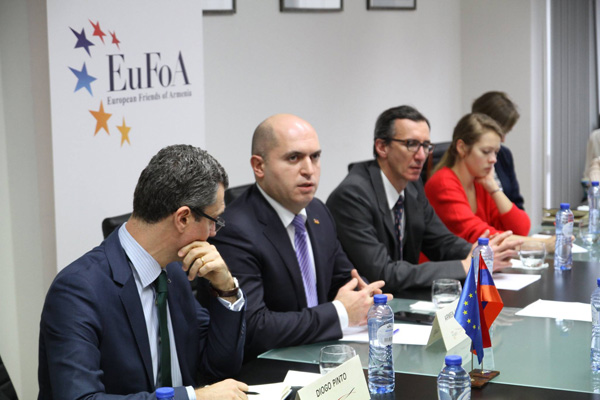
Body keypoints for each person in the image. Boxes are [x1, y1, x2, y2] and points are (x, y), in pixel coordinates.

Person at [38, 145, 248, 400]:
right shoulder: (78, 291)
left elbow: (218, 369)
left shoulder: (174, 272)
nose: (213, 233)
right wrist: (193, 398)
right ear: (183, 218)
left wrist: (226, 288)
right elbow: (81, 398)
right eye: (213, 220)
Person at [210, 114, 390, 360]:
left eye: (315, 157)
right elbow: (254, 327)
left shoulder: (317, 211)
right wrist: (339, 313)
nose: (309, 170)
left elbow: (344, 278)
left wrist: (365, 299)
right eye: (294, 158)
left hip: (322, 354)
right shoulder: (234, 230)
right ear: (259, 166)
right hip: (270, 368)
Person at [326, 105, 519, 294]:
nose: (421, 156)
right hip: (369, 305)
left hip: (402, 299)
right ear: (382, 147)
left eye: (426, 146)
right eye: (411, 144)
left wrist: (479, 253)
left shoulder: (411, 186)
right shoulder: (352, 196)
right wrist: (466, 266)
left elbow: (441, 241)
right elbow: (383, 274)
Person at [425, 113, 534, 245]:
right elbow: (479, 236)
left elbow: (521, 229)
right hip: (450, 259)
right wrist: (542, 244)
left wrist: (494, 188)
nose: (493, 159)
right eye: (486, 152)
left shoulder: (480, 181)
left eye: (495, 152)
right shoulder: (443, 183)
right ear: (462, 148)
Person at [471, 91, 525, 209]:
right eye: (500, 132)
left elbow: (517, 203)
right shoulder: (465, 161)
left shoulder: (504, 155)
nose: (503, 139)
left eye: (506, 132)